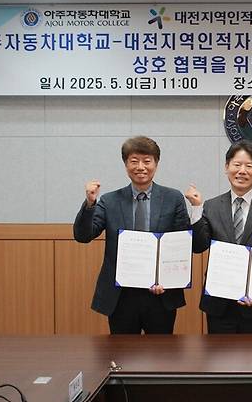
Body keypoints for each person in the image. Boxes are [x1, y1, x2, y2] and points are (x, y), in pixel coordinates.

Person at [73, 136, 190, 334]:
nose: (140, 167)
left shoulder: (173, 198)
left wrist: (169, 280)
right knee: (121, 350)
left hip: (160, 292)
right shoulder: (109, 201)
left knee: (162, 351)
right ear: (126, 165)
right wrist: (90, 203)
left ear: (156, 163)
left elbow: (181, 244)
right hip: (121, 295)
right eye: (134, 161)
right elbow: (83, 235)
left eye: (147, 161)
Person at [185, 140, 252, 334]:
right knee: (219, 354)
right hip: (219, 304)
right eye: (237, 164)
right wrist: (196, 208)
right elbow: (198, 246)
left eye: (249, 166)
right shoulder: (211, 206)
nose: (242, 171)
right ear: (227, 167)